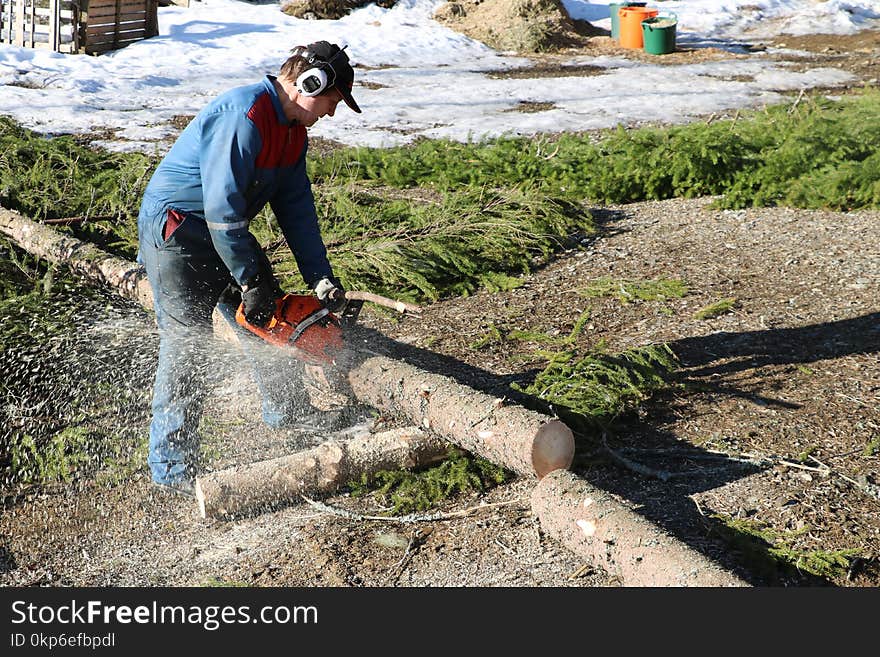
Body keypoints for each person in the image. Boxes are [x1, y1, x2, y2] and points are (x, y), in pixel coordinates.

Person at [137, 41, 361, 496]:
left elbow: (297, 208)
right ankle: (173, 468)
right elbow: (222, 211)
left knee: (268, 320)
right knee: (186, 344)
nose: (332, 114)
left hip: (226, 230)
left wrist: (320, 276)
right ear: (309, 84)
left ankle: (289, 412)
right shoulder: (246, 116)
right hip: (180, 230)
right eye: (332, 102)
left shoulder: (294, 132)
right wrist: (250, 278)